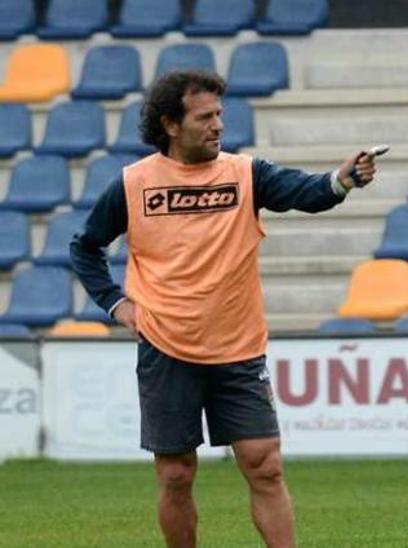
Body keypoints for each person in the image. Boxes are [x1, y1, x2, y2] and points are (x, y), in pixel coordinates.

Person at [68, 70, 380, 548]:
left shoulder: (246, 173)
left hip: (237, 348)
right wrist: (116, 303)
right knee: (175, 473)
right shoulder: (133, 183)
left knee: (265, 464)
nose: (217, 126)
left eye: (219, 115)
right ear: (171, 124)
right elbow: (85, 247)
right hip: (166, 348)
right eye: (204, 117)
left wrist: (343, 180)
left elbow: (309, 193)